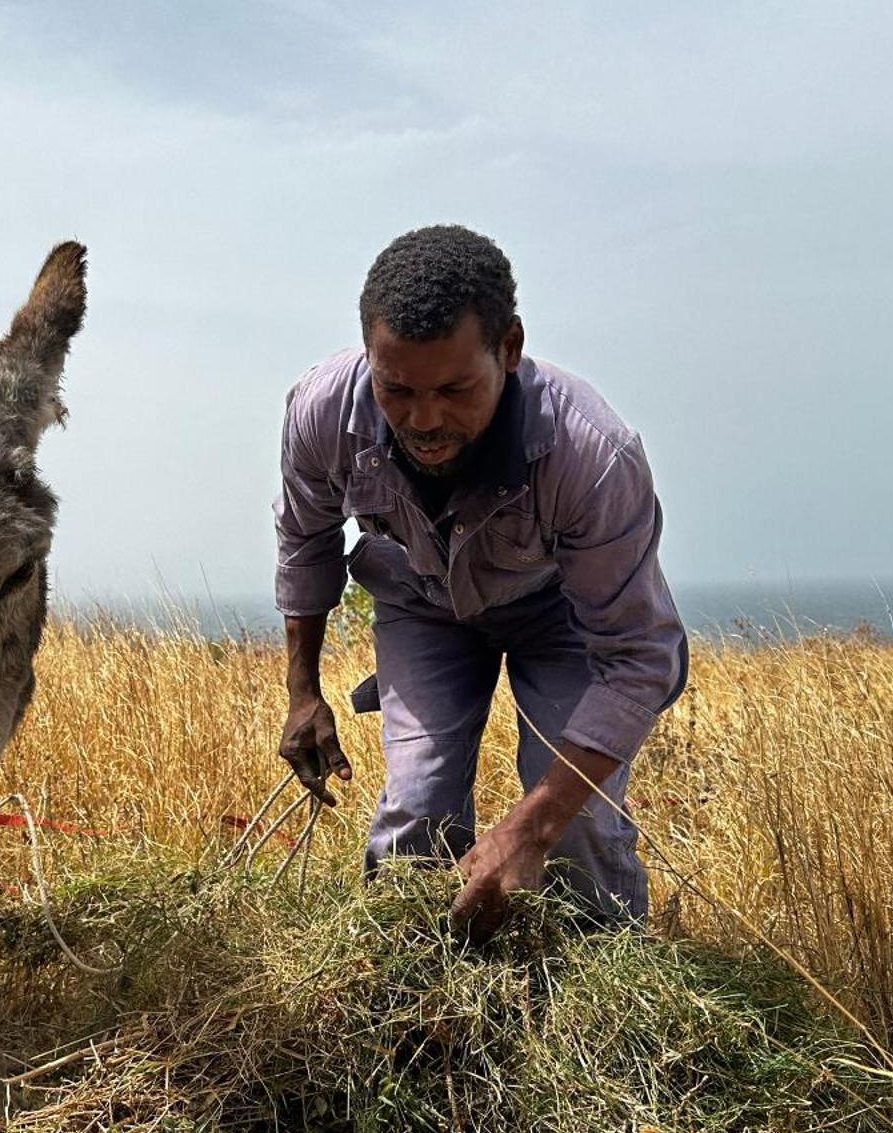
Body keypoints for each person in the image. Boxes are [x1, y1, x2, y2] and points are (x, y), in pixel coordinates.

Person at [273, 224, 687, 943]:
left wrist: (533, 825)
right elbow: (305, 539)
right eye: (395, 388)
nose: (423, 420)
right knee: (415, 812)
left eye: (456, 389)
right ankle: (412, 1009)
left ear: (510, 348)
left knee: (578, 827)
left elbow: (639, 659)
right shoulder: (323, 412)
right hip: (422, 607)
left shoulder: (591, 456)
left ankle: (603, 1012)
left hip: (561, 617)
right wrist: (303, 691)